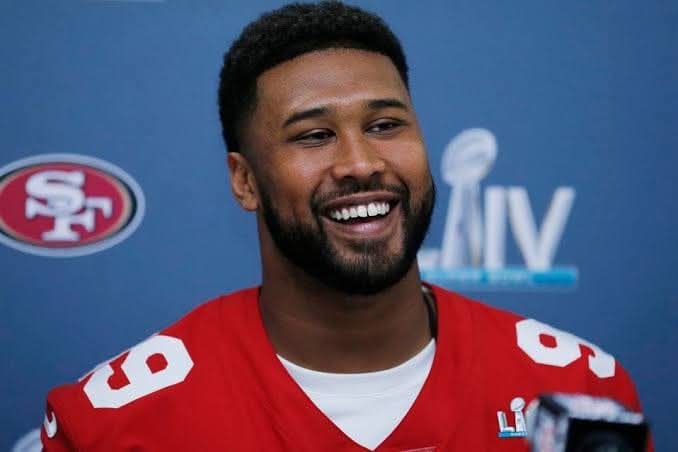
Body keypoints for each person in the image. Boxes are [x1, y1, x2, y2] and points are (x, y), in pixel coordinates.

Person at [41, 2, 649, 451]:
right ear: (244, 181)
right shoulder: (113, 423)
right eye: (314, 136)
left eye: (385, 126)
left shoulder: (578, 390)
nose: (361, 163)